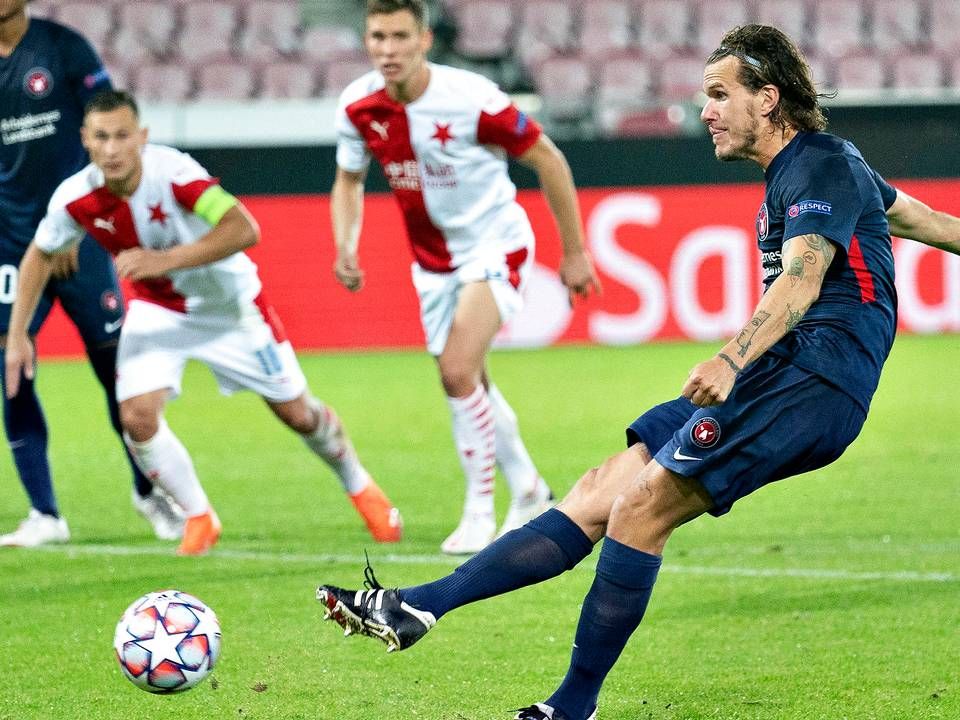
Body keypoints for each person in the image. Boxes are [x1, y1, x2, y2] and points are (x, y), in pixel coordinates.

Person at [316, 24, 960, 720]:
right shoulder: (822, 171)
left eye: (720, 94)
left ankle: (571, 707)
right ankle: (421, 604)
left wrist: (730, 356)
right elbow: (928, 221)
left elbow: (802, 281)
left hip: (814, 378)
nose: (704, 110)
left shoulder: (821, 163)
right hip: (780, 372)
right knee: (601, 491)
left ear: (768, 99)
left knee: (641, 509)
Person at [5, 90, 403, 555]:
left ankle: (361, 487)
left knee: (298, 413)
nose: (112, 149)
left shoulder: (175, 175)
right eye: (101, 138)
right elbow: (40, 253)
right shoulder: (77, 198)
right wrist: (17, 336)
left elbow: (244, 228)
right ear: (85, 141)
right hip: (160, 311)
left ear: (142, 138)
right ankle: (198, 516)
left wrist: (165, 259)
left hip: (231, 308)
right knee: (135, 415)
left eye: (121, 136)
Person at [330, 0, 601, 554]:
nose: (388, 49)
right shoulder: (357, 106)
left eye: (400, 36)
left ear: (424, 39)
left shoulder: (471, 99)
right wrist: (345, 244)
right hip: (432, 265)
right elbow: (348, 180)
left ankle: (479, 510)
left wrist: (574, 253)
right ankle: (528, 487)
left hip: (496, 245)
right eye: (377, 37)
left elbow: (549, 159)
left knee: (456, 372)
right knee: (471, 382)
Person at [0, 0, 181, 547]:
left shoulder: (63, 47)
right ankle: (45, 514)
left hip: (80, 233)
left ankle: (149, 492)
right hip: (10, 243)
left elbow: (102, 134)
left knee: (114, 371)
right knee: (12, 366)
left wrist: (71, 223)